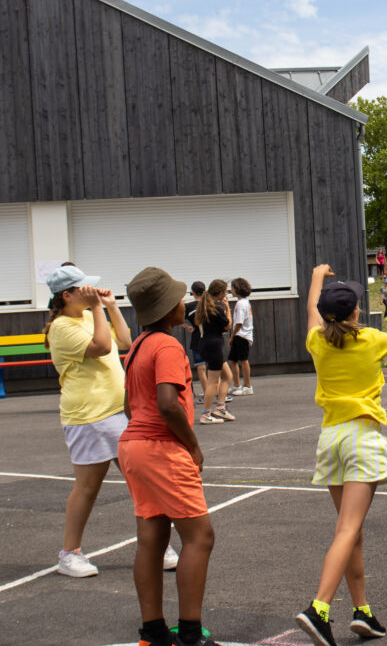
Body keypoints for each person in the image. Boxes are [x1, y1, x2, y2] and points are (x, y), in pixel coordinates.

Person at [294, 264, 387, 646]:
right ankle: (318, 609)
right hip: (361, 438)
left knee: (350, 531)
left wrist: (316, 277)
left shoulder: (316, 341)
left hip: (330, 438)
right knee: (348, 530)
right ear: (356, 311)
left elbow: (310, 309)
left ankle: (362, 611)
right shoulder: (370, 338)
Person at [43, 265, 179, 578]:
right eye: (84, 289)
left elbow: (126, 341)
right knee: (88, 487)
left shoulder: (90, 315)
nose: (91, 292)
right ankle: (69, 553)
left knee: (143, 480)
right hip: (89, 416)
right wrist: (95, 307)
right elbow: (102, 347)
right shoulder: (62, 327)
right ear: (67, 295)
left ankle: (158, 546)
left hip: (118, 411)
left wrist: (112, 307)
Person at [120, 267, 221, 646]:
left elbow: (131, 406)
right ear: (167, 309)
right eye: (178, 299)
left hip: (134, 446)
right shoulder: (166, 346)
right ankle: (191, 633)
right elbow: (167, 402)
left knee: (151, 539)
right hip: (162, 449)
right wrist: (192, 445)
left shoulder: (137, 346)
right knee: (200, 537)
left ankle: (154, 632)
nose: (184, 304)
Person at [196, 280, 235, 424]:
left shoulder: (204, 306)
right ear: (219, 292)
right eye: (225, 291)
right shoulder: (217, 308)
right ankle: (206, 414)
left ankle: (220, 407)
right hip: (214, 346)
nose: (226, 294)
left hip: (205, 344)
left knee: (228, 376)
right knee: (212, 382)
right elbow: (227, 326)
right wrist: (227, 309)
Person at [228, 277, 254, 396]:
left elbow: (239, 322)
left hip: (241, 335)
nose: (230, 291)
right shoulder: (245, 302)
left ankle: (247, 386)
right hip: (243, 334)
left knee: (243, 360)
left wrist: (232, 336)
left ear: (237, 289)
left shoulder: (240, 304)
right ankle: (237, 385)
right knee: (232, 360)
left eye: (232, 288)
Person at [184, 281, 207, 402]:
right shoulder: (209, 304)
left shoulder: (189, 306)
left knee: (201, 368)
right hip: (210, 337)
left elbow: (178, 320)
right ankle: (219, 393)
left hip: (197, 338)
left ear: (192, 292)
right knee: (215, 367)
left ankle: (206, 393)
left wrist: (187, 327)